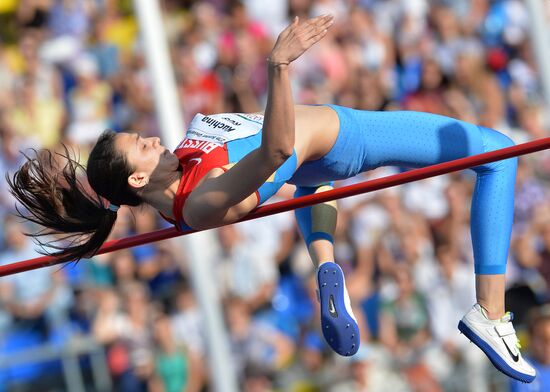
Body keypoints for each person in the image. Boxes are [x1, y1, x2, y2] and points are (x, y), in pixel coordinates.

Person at [5, 14, 535, 382]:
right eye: (139, 147)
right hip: (350, 137)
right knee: (499, 153)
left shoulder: (183, 169)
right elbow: (277, 147)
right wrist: (279, 66)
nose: (149, 139)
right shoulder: (200, 200)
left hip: (316, 160)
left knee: (307, 179)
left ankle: (327, 267)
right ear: (138, 182)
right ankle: (489, 310)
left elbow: (281, 159)